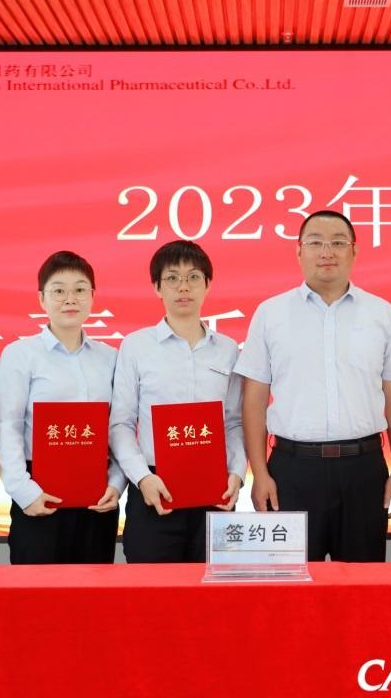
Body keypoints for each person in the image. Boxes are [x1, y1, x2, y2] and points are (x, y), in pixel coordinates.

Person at [235, 209, 391, 562]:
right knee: (292, 585)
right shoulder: (271, 314)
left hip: (364, 471)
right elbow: (254, 400)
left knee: (362, 585)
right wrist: (260, 474)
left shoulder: (383, 314)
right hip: (292, 471)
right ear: (299, 251)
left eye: (338, 243)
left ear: (354, 251)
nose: (327, 252)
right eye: (315, 242)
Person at [110, 240, 245, 563]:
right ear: (157, 287)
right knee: (153, 590)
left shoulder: (228, 349)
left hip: (215, 490)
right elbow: (121, 424)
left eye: (193, 277)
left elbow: (233, 422)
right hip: (154, 487)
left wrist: (237, 474)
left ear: (208, 284)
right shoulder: (136, 346)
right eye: (172, 278)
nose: (183, 287)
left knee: (212, 589)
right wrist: (142, 477)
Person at [0, 251, 123, 564]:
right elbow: (6, 425)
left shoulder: (110, 357)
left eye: (80, 289)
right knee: (38, 591)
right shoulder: (21, 354)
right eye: (59, 290)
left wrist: (116, 484)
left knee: (94, 589)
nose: (70, 299)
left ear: (92, 297)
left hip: (96, 497)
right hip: (38, 493)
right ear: (42, 299)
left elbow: (119, 426)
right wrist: (24, 492)